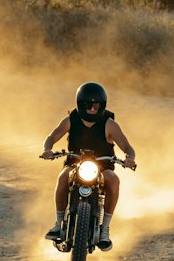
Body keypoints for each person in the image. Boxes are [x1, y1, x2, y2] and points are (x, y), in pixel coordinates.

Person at [41, 81, 136, 251]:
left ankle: (105, 229)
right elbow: (52, 136)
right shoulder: (71, 120)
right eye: (88, 104)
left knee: (114, 181)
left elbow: (127, 147)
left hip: (103, 166)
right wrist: (47, 149)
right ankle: (58, 224)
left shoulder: (109, 124)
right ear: (80, 104)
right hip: (74, 163)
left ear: (102, 105)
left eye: (96, 105)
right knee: (63, 177)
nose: (92, 109)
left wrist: (130, 158)